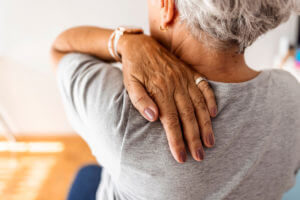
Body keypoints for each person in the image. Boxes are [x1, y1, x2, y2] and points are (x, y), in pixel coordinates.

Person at [51, 0, 300, 200]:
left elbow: (60, 49)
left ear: (167, 6)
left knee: (86, 175)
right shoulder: (291, 96)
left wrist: (125, 40)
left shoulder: (124, 112)